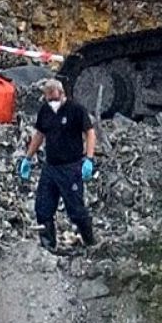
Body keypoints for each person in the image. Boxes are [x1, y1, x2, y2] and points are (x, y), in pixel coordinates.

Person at [18, 78, 98, 250]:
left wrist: (89, 159)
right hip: (50, 167)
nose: (52, 103)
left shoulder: (76, 110)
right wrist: (28, 157)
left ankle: (90, 243)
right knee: (43, 208)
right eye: (49, 100)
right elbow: (40, 134)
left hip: (71, 167)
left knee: (76, 211)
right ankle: (48, 247)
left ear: (62, 94)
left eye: (54, 99)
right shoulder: (45, 111)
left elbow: (90, 133)